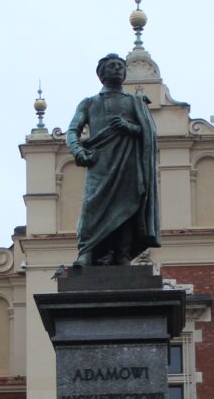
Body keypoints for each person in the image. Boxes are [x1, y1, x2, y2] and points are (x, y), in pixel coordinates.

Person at [65, 53, 160, 267]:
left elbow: (150, 133)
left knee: (127, 208)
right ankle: (86, 252)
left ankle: (122, 254)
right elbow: (72, 131)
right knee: (91, 206)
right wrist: (78, 151)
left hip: (128, 163)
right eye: (112, 66)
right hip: (99, 162)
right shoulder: (89, 103)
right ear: (101, 74)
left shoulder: (135, 102)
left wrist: (129, 127)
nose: (117, 68)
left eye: (120, 66)